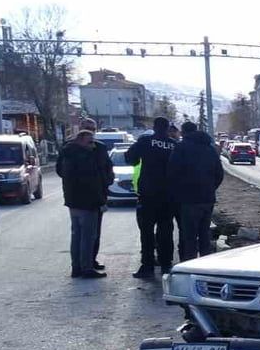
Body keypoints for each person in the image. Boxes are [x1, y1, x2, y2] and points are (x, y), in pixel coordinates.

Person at [55, 129, 113, 278]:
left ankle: (76, 267)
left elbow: (60, 172)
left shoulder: (67, 153)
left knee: (77, 236)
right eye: (90, 142)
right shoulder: (84, 157)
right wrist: (101, 201)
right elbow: (92, 182)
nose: (93, 145)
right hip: (88, 202)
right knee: (88, 237)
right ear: (80, 140)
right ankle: (86, 268)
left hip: (73, 201)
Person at [125, 117, 178, 278]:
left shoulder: (145, 141)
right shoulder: (174, 145)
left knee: (146, 232)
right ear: (168, 128)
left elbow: (130, 158)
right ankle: (166, 264)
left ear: (154, 127)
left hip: (148, 194)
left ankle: (147, 266)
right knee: (166, 230)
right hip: (168, 194)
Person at [168, 121, 223, 261]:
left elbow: (172, 172)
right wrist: (210, 188)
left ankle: (190, 265)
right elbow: (219, 174)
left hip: (188, 199)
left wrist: (178, 192)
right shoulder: (210, 149)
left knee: (189, 236)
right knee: (204, 234)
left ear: (183, 132)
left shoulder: (181, 147)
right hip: (207, 199)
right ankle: (205, 265)